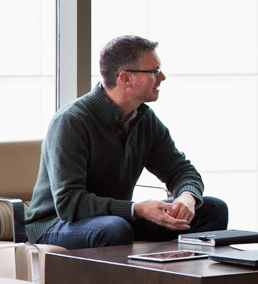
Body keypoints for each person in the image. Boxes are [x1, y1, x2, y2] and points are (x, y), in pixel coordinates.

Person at [24, 35, 228, 249]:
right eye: (155, 72)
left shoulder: (143, 119)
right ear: (126, 78)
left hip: (116, 218)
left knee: (214, 210)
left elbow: (181, 170)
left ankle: (180, 279)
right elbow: (70, 204)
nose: (163, 77)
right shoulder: (71, 121)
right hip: (57, 224)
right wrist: (138, 209)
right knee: (114, 229)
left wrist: (187, 197)